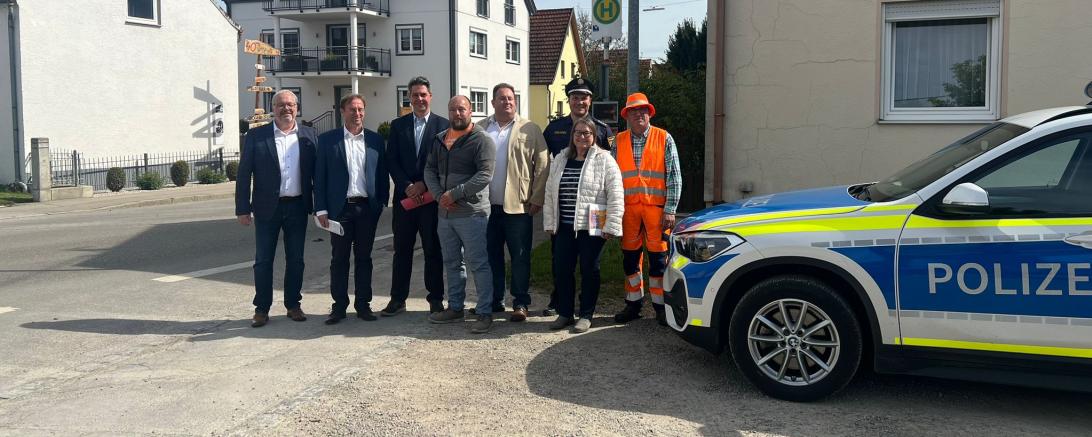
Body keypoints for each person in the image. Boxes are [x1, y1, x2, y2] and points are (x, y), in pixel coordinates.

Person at [235, 89, 317, 328]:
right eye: (281, 105)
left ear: (297, 108)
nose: (286, 109)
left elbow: (318, 175)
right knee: (263, 261)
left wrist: (321, 207)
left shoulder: (309, 136)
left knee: (296, 260)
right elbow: (244, 175)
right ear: (273, 109)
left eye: (291, 105)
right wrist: (242, 208)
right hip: (266, 209)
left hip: (297, 207)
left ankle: (293, 304)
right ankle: (261, 308)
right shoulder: (256, 137)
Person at [543, 117, 624, 333]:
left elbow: (616, 194)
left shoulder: (604, 159)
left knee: (589, 269)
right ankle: (565, 313)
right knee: (562, 270)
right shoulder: (561, 158)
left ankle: (586, 315)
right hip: (565, 226)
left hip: (592, 224)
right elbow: (550, 192)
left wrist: (611, 226)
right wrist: (550, 222)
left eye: (587, 133)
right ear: (572, 136)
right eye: (578, 133)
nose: (581, 137)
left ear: (594, 136)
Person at [314, 94, 389, 325]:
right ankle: (339, 307)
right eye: (352, 109)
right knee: (339, 259)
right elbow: (320, 177)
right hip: (339, 211)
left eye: (360, 110)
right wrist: (321, 209)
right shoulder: (328, 140)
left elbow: (382, 173)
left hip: (367, 208)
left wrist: (381, 203)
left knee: (365, 258)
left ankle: (363, 305)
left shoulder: (375, 140)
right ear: (342, 112)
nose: (357, 114)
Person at [541, 76, 612, 316]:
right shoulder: (554, 129)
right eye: (575, 97)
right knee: (561, 262)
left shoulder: (603, 129)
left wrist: (610, 220)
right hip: (566, 211)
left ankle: (587, 310)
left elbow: (610, 172)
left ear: (590, 101)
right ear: (569, 100)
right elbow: (545, 165)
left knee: (590, 264)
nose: (579, 101)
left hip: (595, 210)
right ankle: (560, 303)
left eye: (584, 97)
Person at [424, 96, 496, 334]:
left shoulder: (481, 139)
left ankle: (485, 313)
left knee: (478, 264)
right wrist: (438, 195)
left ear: (471, 111)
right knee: (452, 262)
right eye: (453, 109)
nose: (457, 113)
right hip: (444, 214)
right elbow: (429, 170)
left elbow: (485, 174)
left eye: (461, 109)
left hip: (471, 214)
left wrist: (454, 194)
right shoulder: (439, 139)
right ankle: (456, 308)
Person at [478, 83, 549, 322]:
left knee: (519, 256)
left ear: (515, 102)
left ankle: (520, 303)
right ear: (493, 102)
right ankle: (495, 300)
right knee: (491, 256)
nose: (507, 102)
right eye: (502, 98)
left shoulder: (530, 128)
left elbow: (542, 165)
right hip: (486, 207)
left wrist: (537, 197)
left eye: (510, 98)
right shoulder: (480, 129)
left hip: (518, 206)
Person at [613, 92, 682, 326]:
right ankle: (633, 304)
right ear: (627, 116)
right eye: (633, 110)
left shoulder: (664, 138)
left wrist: (671, 209)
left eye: (642, 110)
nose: (638, 113)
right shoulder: (618, 141)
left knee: (659, 261)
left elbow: (674, 177)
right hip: (628, 212)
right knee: (630, 260)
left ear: (649, 113)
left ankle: (661, 307)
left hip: (657, 212)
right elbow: (611, 180)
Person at [384, 77, 450, 316]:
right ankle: (397, 299)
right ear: (409, 98)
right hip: (404, 200)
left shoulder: (444, 126)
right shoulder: (398, 125)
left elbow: (445, 164)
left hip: (431, 200)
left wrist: (424, 184)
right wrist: (407, 185)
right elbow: (391, 159)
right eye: (415, 95)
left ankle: (435, 299)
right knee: (402, 250)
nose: (419, 99)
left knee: (433, 250)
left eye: (423, 94)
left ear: (430, 96)